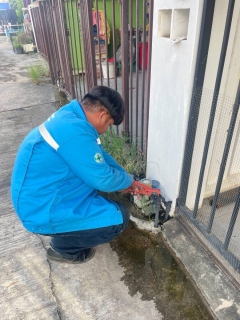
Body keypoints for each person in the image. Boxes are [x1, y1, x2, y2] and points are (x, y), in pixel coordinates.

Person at [11, 86, 137, 264]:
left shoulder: (71, 116)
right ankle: (64, 249)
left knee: (95, 189)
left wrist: (124, 176)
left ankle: (66, 232)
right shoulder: (75, 132)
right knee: (118, 218)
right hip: (39, 210)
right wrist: (127, 182)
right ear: (102, 115)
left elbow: (100, 155)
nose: (107, 129)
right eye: (109, 124)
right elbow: (103, 179)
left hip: (36, 197)